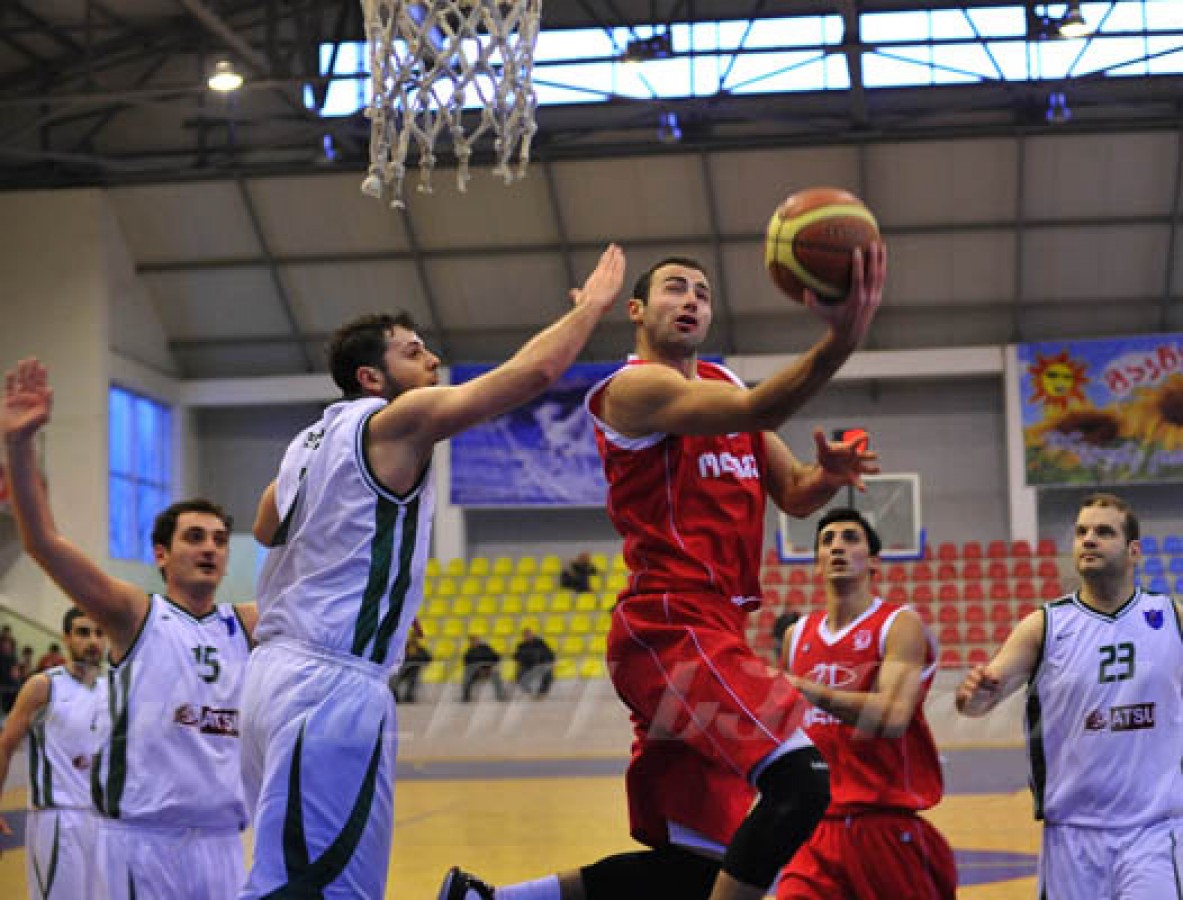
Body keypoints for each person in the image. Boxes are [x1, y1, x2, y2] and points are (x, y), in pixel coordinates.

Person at [442, 243, 886, 900]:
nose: (691, 301)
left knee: (695, 868)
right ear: (636, 310)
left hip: (716, 627)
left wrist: (826, 477)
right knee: (801, 781)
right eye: (675, 288)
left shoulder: (724, 381)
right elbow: (761, 412)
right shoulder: (633, 389)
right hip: (672, 625)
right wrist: (840, 340)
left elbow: (792, 491)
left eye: (702, 293)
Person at [240, 245, 625, 899]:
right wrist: (590, 307)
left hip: (272, 679)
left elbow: (264, 526)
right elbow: (532, 374)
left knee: (301, 875)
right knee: (313, 889)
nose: (432, 359)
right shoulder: (394, 422)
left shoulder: (306, 443)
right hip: (330, 684)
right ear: (370, 377)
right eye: (413, 351)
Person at [3, 358, 256, 900]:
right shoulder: (136, 614)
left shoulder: (248, 623)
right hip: (144, 841)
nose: (210, 548)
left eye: (219, 540)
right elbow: (43, 543)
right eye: (194, 537)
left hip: (222, 841)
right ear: (161, 554)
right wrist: (20, 447)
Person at [955, 492, 1183, 899]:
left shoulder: (1172, 618)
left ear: (1134, 551)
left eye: (1104, 532)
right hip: (1072, 838)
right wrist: (973, 693)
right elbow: (979, 704)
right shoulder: (1044, 626)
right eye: (1081, 532)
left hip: (1153, 831)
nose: (1088, 539)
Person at [777, 508, 956, 899]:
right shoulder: (797, 635)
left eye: (850, 538)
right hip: (815, 829)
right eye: (827, 541)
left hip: (884, 825)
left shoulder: (899, 624)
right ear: (817, 563)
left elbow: (892, 716)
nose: (837, 547)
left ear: (874, 562)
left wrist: (807, 688)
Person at [0, 607, 108, 899]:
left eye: (99, 633)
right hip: (58, 818)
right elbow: (5, 745)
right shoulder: (44, 686)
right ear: (66, 638)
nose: (93, 641)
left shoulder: (113, 689)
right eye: (83, 632)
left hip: (104, 820)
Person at [462, 635, 508, 702]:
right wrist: (478, 669)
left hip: (488, 667)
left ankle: (500, 695)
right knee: (467, 675)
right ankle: (466, 696)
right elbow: (467, 663)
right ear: (470, 642)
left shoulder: (486, 648)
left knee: (495, 675)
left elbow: (495, 657)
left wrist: (490, 666)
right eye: (472, 641)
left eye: (475, 640)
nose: (474, 642)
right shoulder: (469, 652)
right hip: (476, 670)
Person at [513, 628, 555, 698]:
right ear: (523, 637)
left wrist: (551, 662)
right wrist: (520, 658)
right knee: (519, 675)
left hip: (540, 664)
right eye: (526, 636)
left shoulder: (540, 643)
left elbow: (550, 654)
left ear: (532, 635)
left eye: (529, 635)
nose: (528, 637)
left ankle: (542, 692)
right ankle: (530, 691)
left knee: (548, 673)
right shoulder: (521, 646)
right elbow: (516, 656)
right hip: (526, 665)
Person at [393, 632, 432, 703]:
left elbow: (428, 658)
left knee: (412, 680)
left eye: (415, 638)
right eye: (412, 638)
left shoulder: (420, 649)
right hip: (402, 670)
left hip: (413, 671)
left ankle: (408, 697)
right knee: (394, 680)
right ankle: (395, 697)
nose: (413, 639)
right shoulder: (404, 648)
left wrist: (418, 659)